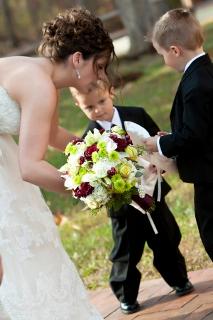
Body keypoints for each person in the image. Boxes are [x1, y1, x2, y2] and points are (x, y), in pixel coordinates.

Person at [0, 7, 115, 320]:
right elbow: (30, 168)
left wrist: (103, 154)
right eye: (100, 66)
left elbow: (50, 134)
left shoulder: (43, 78)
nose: (102, 77)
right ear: (77, 59)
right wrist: (89, 189)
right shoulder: (39, 85)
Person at [69, 80, 194, 315]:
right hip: (122, 205)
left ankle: (178, 278)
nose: (98, 109)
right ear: (78, 105)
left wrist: (161, 165)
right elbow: (89, 174)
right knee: (126, 251)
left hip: (152, 191)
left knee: (166, 237)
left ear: (111, 93)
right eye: (90, 107)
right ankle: (126, 295)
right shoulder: (89, 139)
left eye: (102, 101)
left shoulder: (137, 115)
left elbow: (158, 143)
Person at [144, 8, 213, 261]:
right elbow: (203, 126)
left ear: (175, 50)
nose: (164, 60)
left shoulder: (195, 85)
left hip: (209, 175)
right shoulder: (204, 71)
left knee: (211, 233)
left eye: (162, 54)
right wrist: (175, 134)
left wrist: (160, 143)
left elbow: (194, 136)